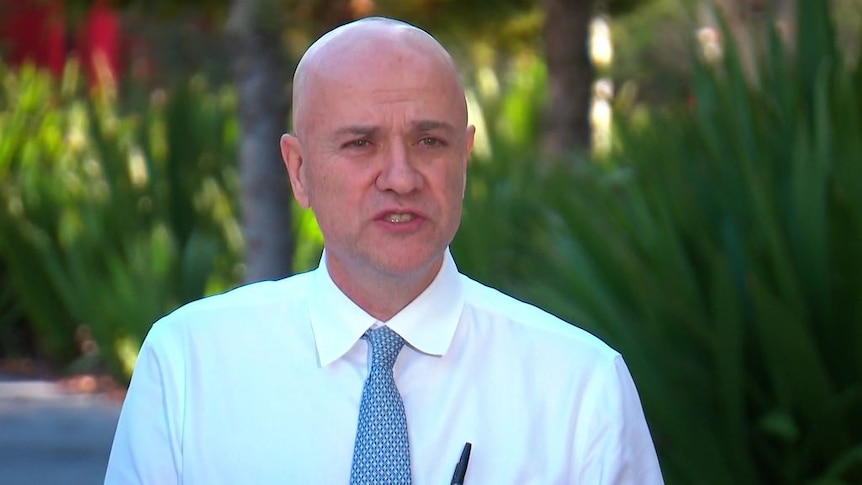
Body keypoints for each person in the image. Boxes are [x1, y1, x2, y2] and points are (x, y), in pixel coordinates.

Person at [105, 16, 663, 484]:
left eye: (429, 141)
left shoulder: (580, 390)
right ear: (299, 171)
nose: (400, 177)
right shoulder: (189, 368)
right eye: (360, 143)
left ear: (464, 159)